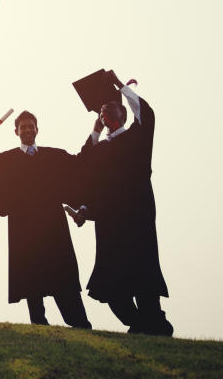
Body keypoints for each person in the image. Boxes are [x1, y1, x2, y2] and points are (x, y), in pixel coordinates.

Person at [74, 73, 173, 336]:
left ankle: (155, 324)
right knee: (112, 288)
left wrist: (121, 89)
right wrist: (85, 209)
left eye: (112, 107)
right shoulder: (100, 149)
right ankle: (141, 325)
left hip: (137, 223)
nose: (106, 111)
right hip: (110, 228)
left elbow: (147, 115)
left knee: (144, 280)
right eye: (103, 110)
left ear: (125, 114)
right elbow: (84, 171)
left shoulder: (136, 139)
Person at [0, 110, 91, 328]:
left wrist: (95, 133)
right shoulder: (7, 160)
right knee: (31, 275)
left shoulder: (53, 156)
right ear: (16, 132)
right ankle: (38, 323)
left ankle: (79, 323)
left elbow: (79, 163)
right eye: (23, 127)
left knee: (62, 274)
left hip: (53, 225)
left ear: (37, 129)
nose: (28, 130)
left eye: (31, 126)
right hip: (24, 225)